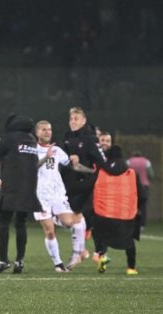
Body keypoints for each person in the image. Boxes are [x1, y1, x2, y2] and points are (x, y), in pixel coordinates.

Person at [0, 114, 42, 274]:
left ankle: (4, 260)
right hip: (29, 188)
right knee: (21, 223)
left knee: (4, 221)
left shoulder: (9, 138)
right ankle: (19, 261)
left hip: (11, 188)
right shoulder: (31, 139)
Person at [33, 120, 81, 273]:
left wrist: (76, 161)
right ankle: (58, 263)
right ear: (37, 132)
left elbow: (70, 164)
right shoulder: (32, 150)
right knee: (50, 231)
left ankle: (55, 218)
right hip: (40, 197)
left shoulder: (58, 150)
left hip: (58, 193)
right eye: (43, 129)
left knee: (69, 223)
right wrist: (46, 157)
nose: (47, 132)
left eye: (49, 129)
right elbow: (30, 168)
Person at [60, 107, 107, 263]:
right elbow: (63, 160)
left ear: (84, 120)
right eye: (71, 119)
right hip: (69, 183)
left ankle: (83, 253)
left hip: (84, 184)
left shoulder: (90, 138)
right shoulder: (67, 137)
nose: (73, 122)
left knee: (78, 217)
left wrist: (91, 177)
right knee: (73, 218)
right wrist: (68, 159)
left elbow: (101, 162)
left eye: (76, 119)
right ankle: (81, 252)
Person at [91, 146, 145, 275]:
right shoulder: (131, 173)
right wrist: (138, 208)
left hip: (104, 215)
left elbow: (90, 187)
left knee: (99, 233)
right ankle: (131, 268)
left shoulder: (100, 170)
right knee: (129, 241)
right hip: (125, 216)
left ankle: (102, 256)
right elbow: (142, 195)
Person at [127, 151, 154, 227]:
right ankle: (142, 224)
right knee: (143, 206)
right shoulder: (146, 162)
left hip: (132, 185)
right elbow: (151, 174)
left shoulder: (129, 161)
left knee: (131, 205)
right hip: (144, 186)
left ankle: (132, 222)